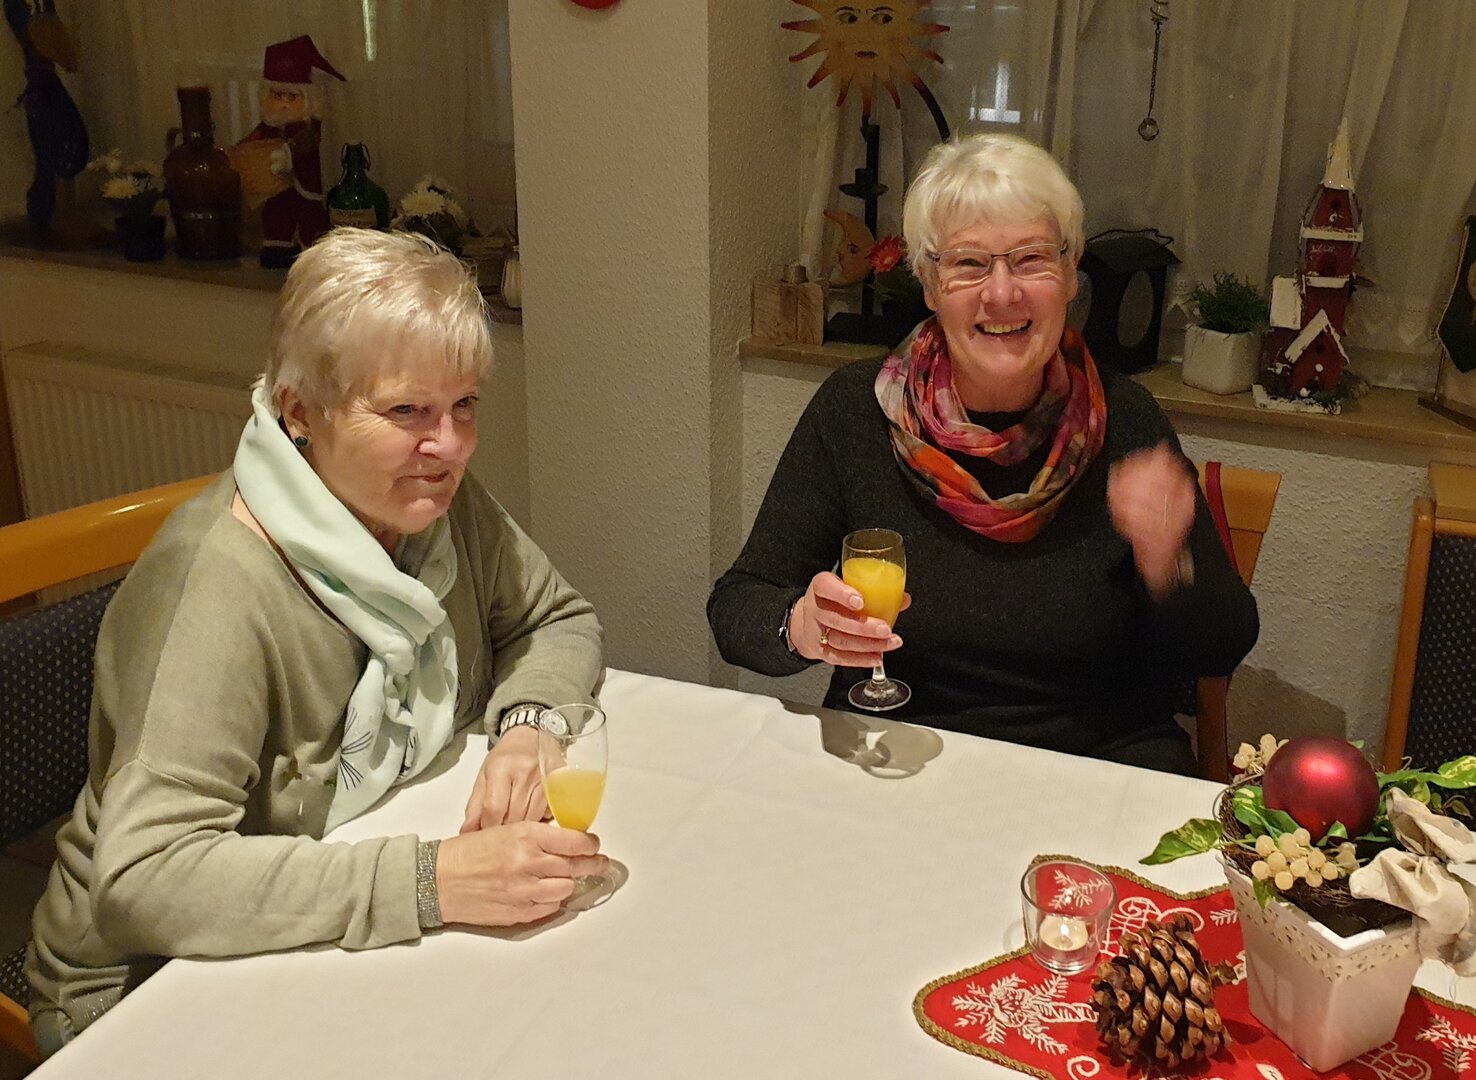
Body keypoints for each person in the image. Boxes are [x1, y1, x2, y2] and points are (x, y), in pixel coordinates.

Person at [26, 229, 607, 1055]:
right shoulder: (218, 586)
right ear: (299, 411)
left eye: (465, 405)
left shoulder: (428, 503)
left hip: (323, 910)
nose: (449, 446)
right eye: (405, 411)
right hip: (140, 986)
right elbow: (146, 878)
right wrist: (433, 881)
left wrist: (529, 729)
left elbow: (556, 620)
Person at [708, 133, 1257, 774]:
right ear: (928, 282)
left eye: (1031, 260)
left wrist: (1171, 565)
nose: (1001, 293)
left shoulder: (1124, 419)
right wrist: (800, 625)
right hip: (900, 754)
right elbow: (737, 606)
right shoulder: (856, 411)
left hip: (1095, 763)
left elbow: (1221, 647)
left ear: (1070, 272)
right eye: (968, 264)